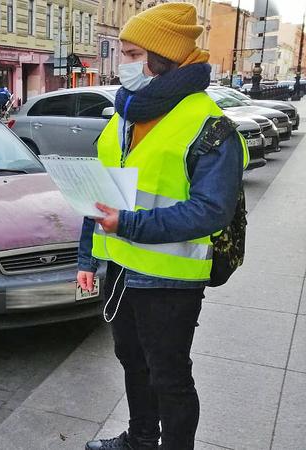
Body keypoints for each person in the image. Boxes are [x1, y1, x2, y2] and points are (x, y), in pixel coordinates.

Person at [77, 4, 247, 450]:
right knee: (131, 361)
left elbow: (211, 211)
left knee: (169, 375)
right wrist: (86, 258)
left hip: (171, 279)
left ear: (162, 58)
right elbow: (97, 196)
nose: (123, 63)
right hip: (120, 268)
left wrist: (128, 224)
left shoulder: (209, 125)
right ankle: (139, 439)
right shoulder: (126, 114)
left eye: (132, 53)